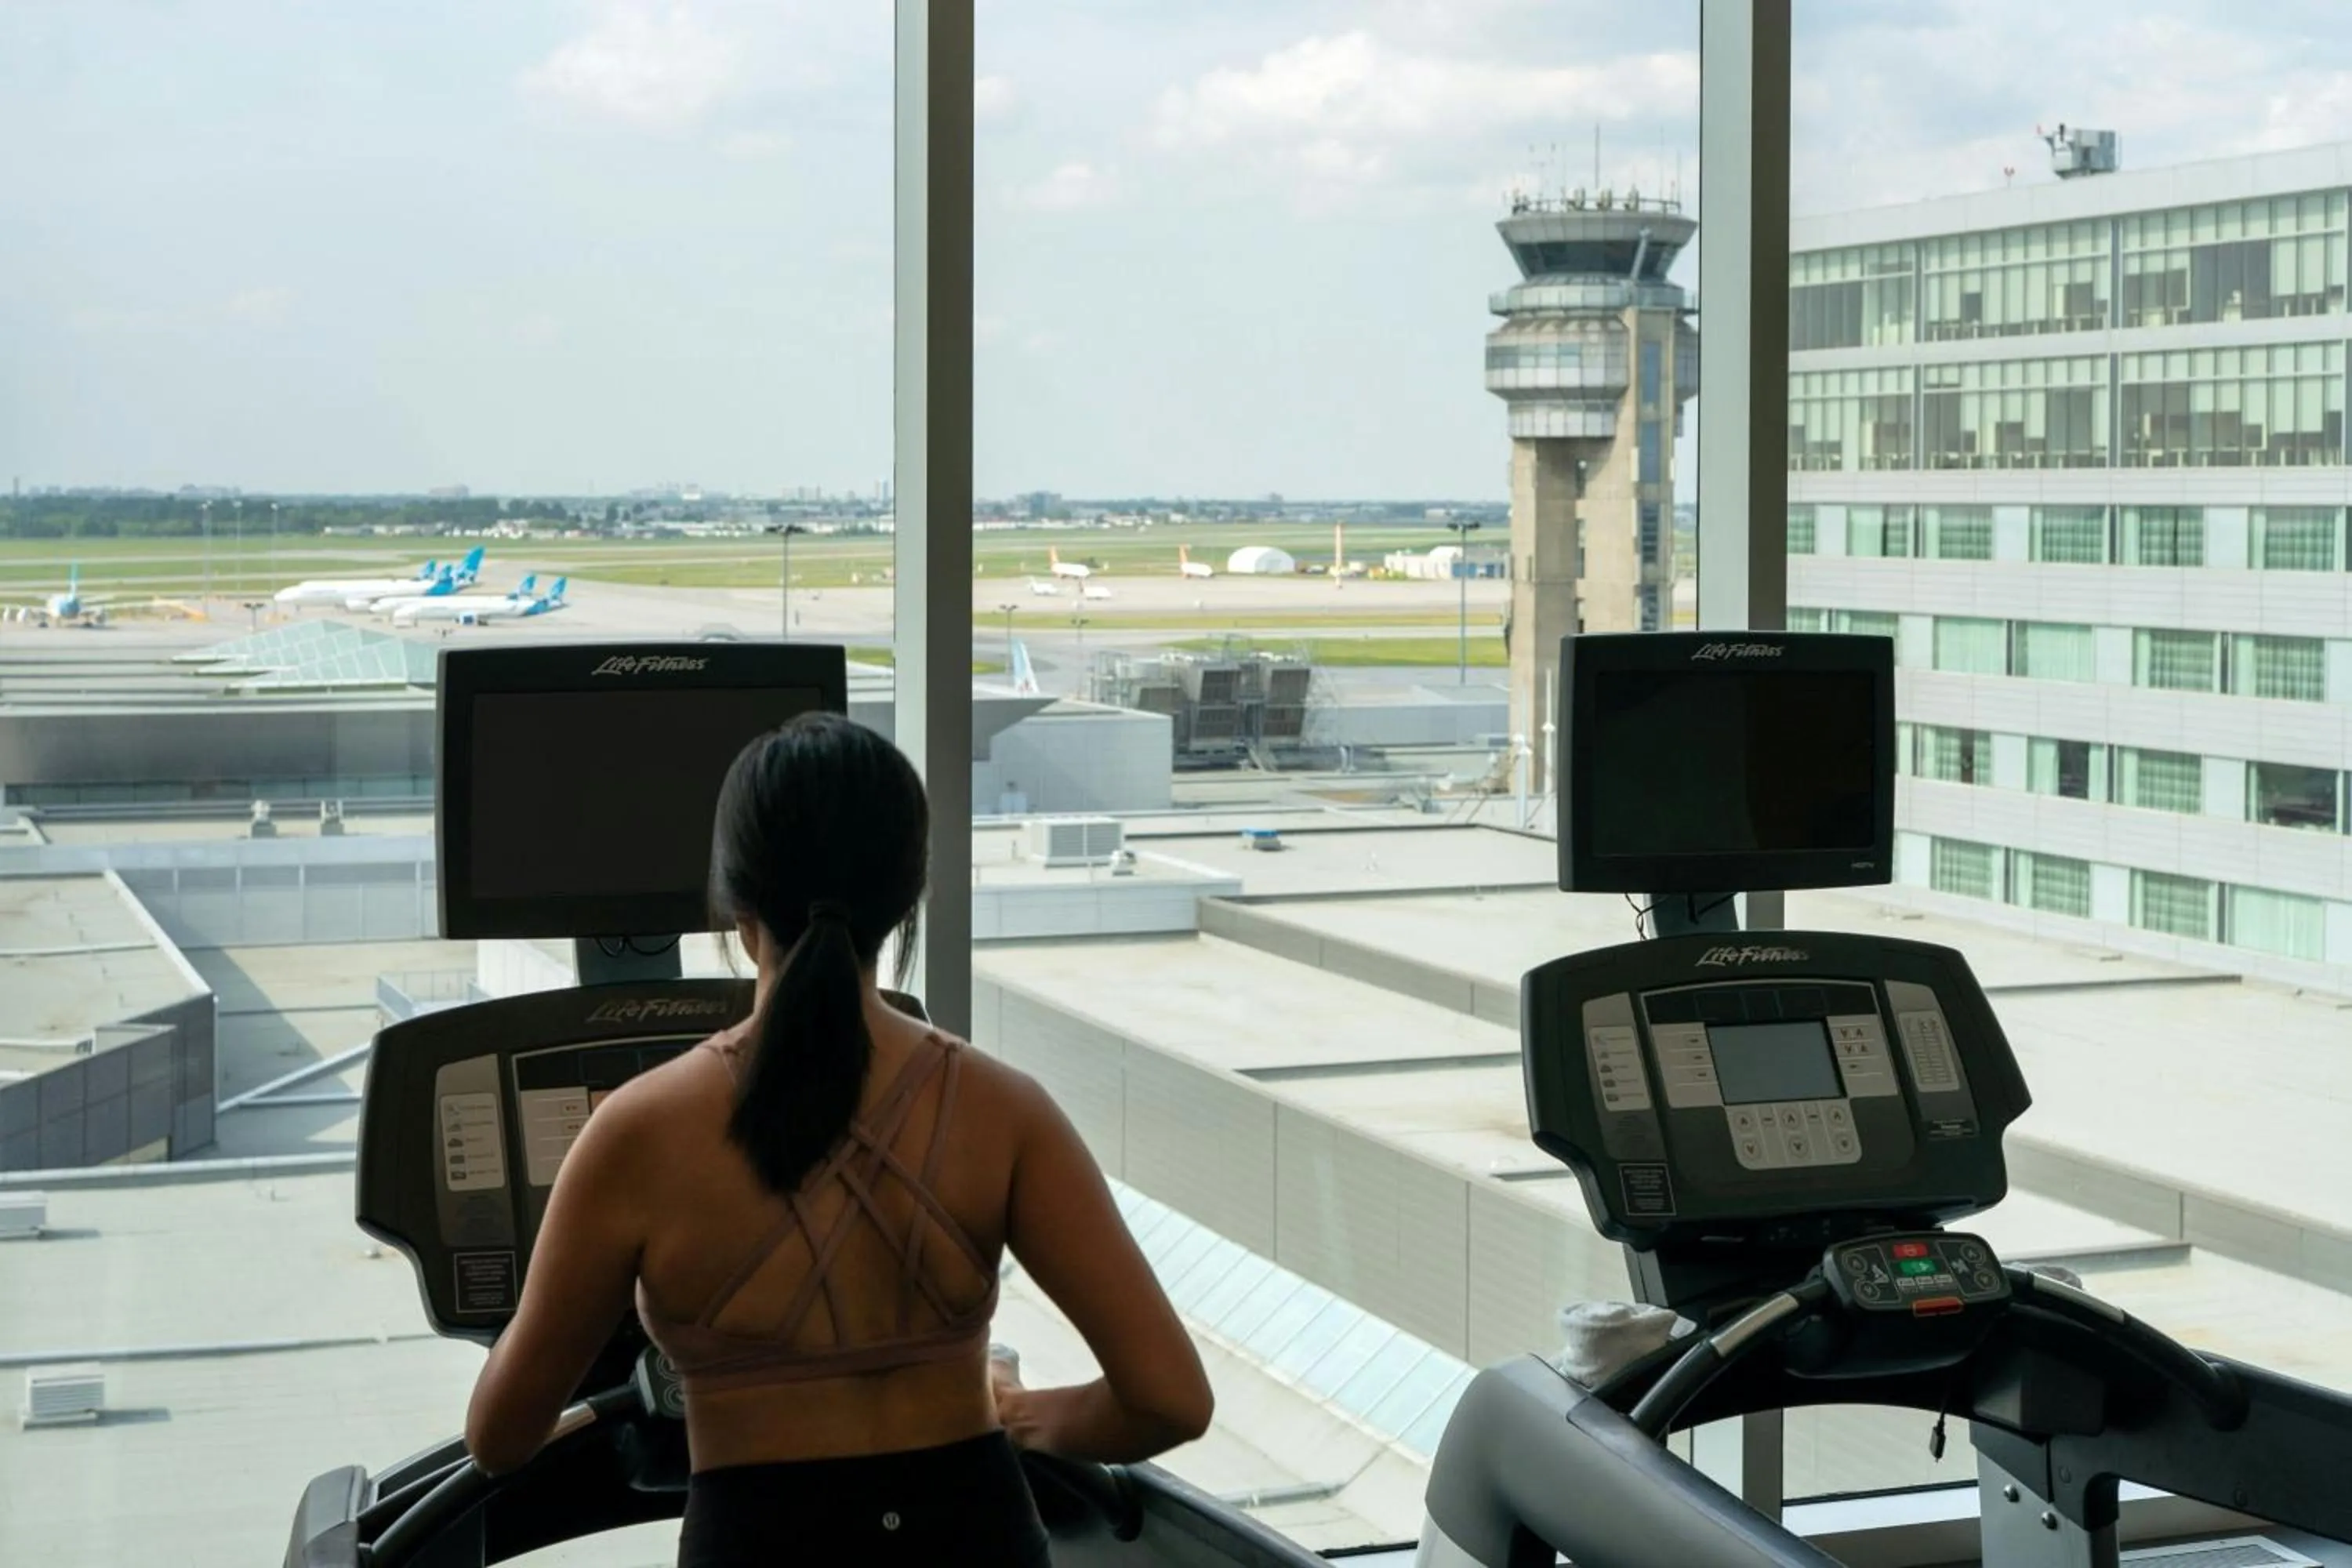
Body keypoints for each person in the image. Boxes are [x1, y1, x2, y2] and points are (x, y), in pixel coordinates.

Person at [464, 712, 1213, 1566]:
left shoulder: (637, 1133)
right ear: (905, 897)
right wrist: (1019, 1410)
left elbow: (500, 1437)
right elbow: (1170, 1398)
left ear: (736, 905)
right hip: (976, 1533)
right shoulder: (1007, 1111)